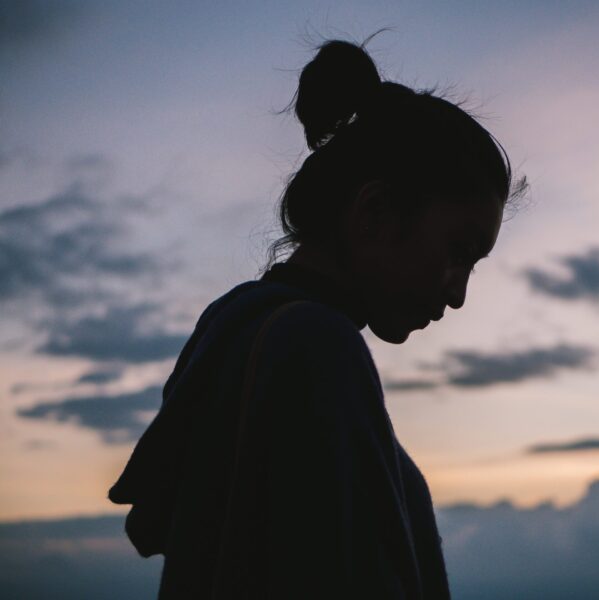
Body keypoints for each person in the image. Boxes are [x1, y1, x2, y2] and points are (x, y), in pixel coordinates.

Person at [108, 36, 525, 599]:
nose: (458, 296)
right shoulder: (315, 346)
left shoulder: (234, 329)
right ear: (375, 213)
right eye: (458, 253)